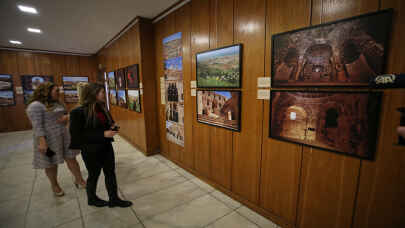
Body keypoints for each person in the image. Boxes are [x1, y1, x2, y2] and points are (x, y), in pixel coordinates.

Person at [69, 83, 132, 208]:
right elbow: (77, 136)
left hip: (106, 147)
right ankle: (92, 199)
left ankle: (114, 199)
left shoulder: (102, 107)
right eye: (102, 92)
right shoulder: (77, 112)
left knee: (110, 173)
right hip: (90, 150)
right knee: (94, 175)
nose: (105, 94)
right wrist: (103, 134)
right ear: (93, 94)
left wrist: (112, 128)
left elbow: (109, 122)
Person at [26, 82, 86, 197]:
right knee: (51, 163)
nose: (59, 93)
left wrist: (67, 118)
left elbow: (64, 115)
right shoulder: (35, 106)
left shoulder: (58, 102)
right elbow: (37, 126)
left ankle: (79, 180)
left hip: (63, 135)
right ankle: (55, 185)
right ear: (46, 92)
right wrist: (42, 142)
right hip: (48, 139)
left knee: (71, 158)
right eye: (56, 91)